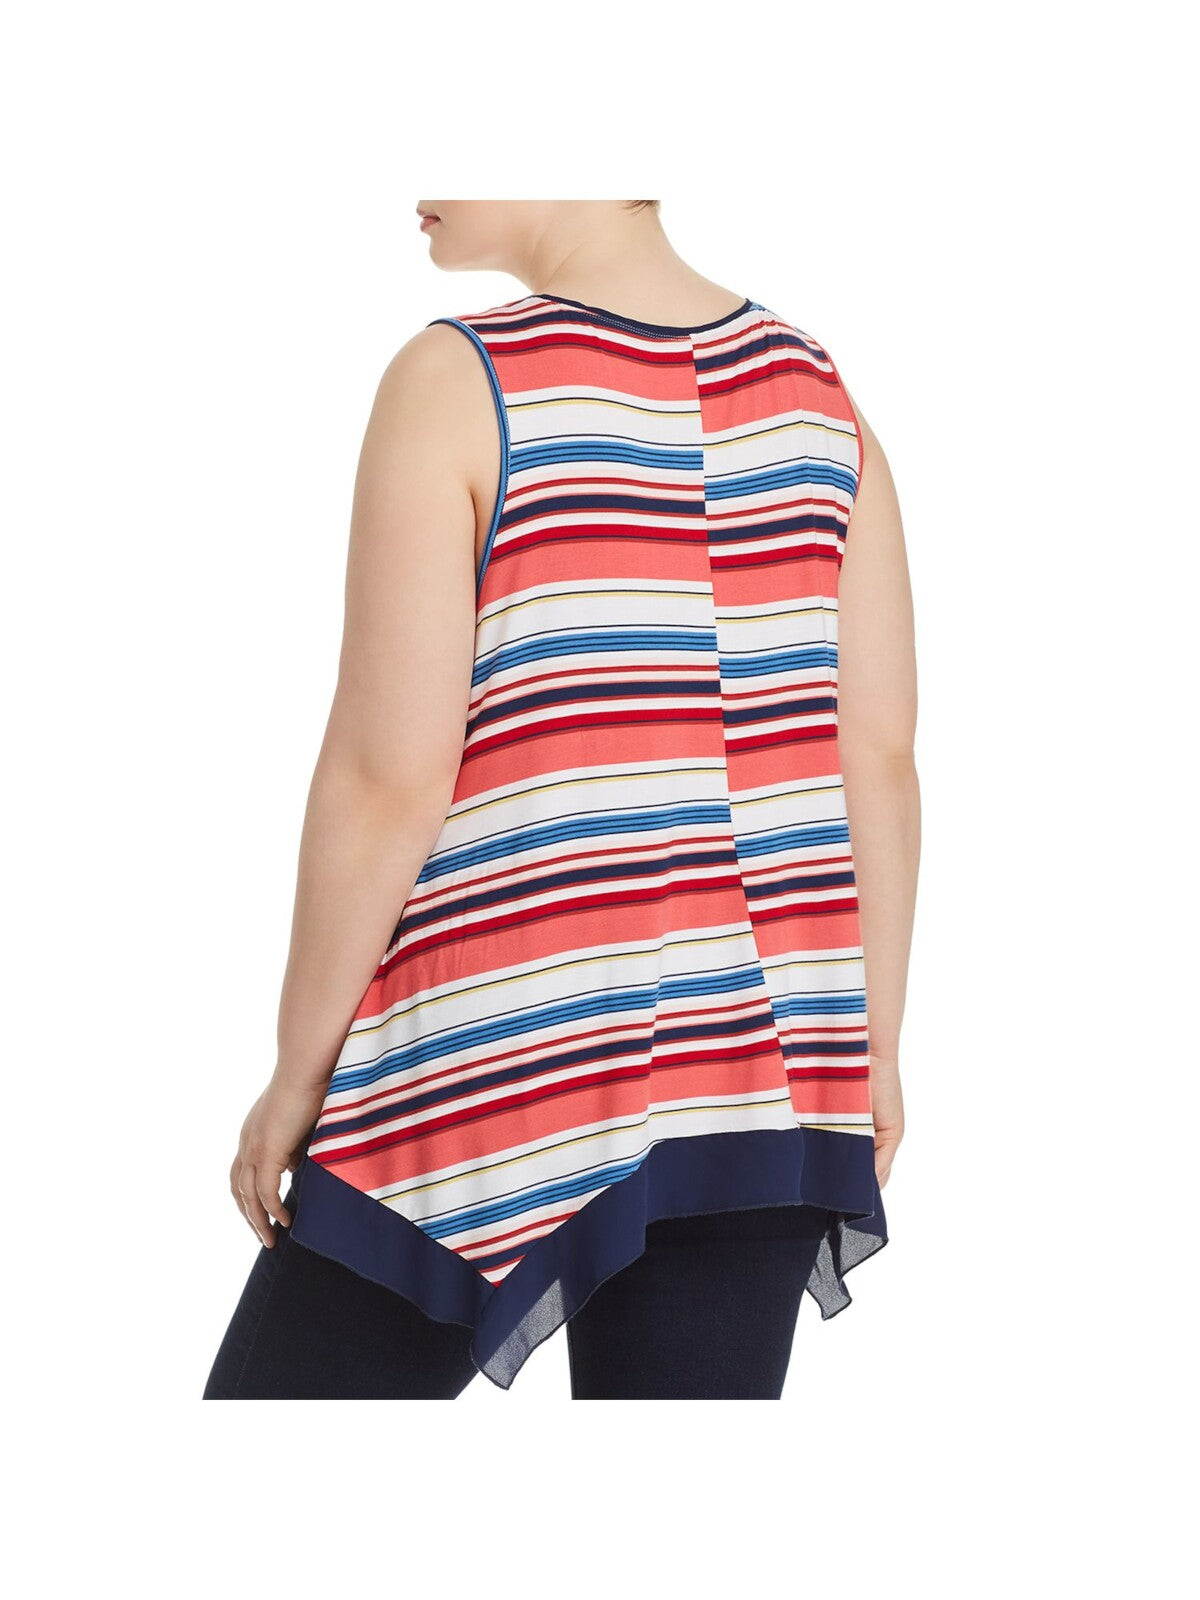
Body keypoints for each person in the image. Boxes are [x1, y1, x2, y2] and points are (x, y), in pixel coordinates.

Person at [202, 199, 918, 1401]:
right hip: (765, 1072)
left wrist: (298, 1072)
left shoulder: (458, 381)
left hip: (500, 1056)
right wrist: (875, 1049)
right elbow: (878, 758)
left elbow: (387, 779)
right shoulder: (819, 396)